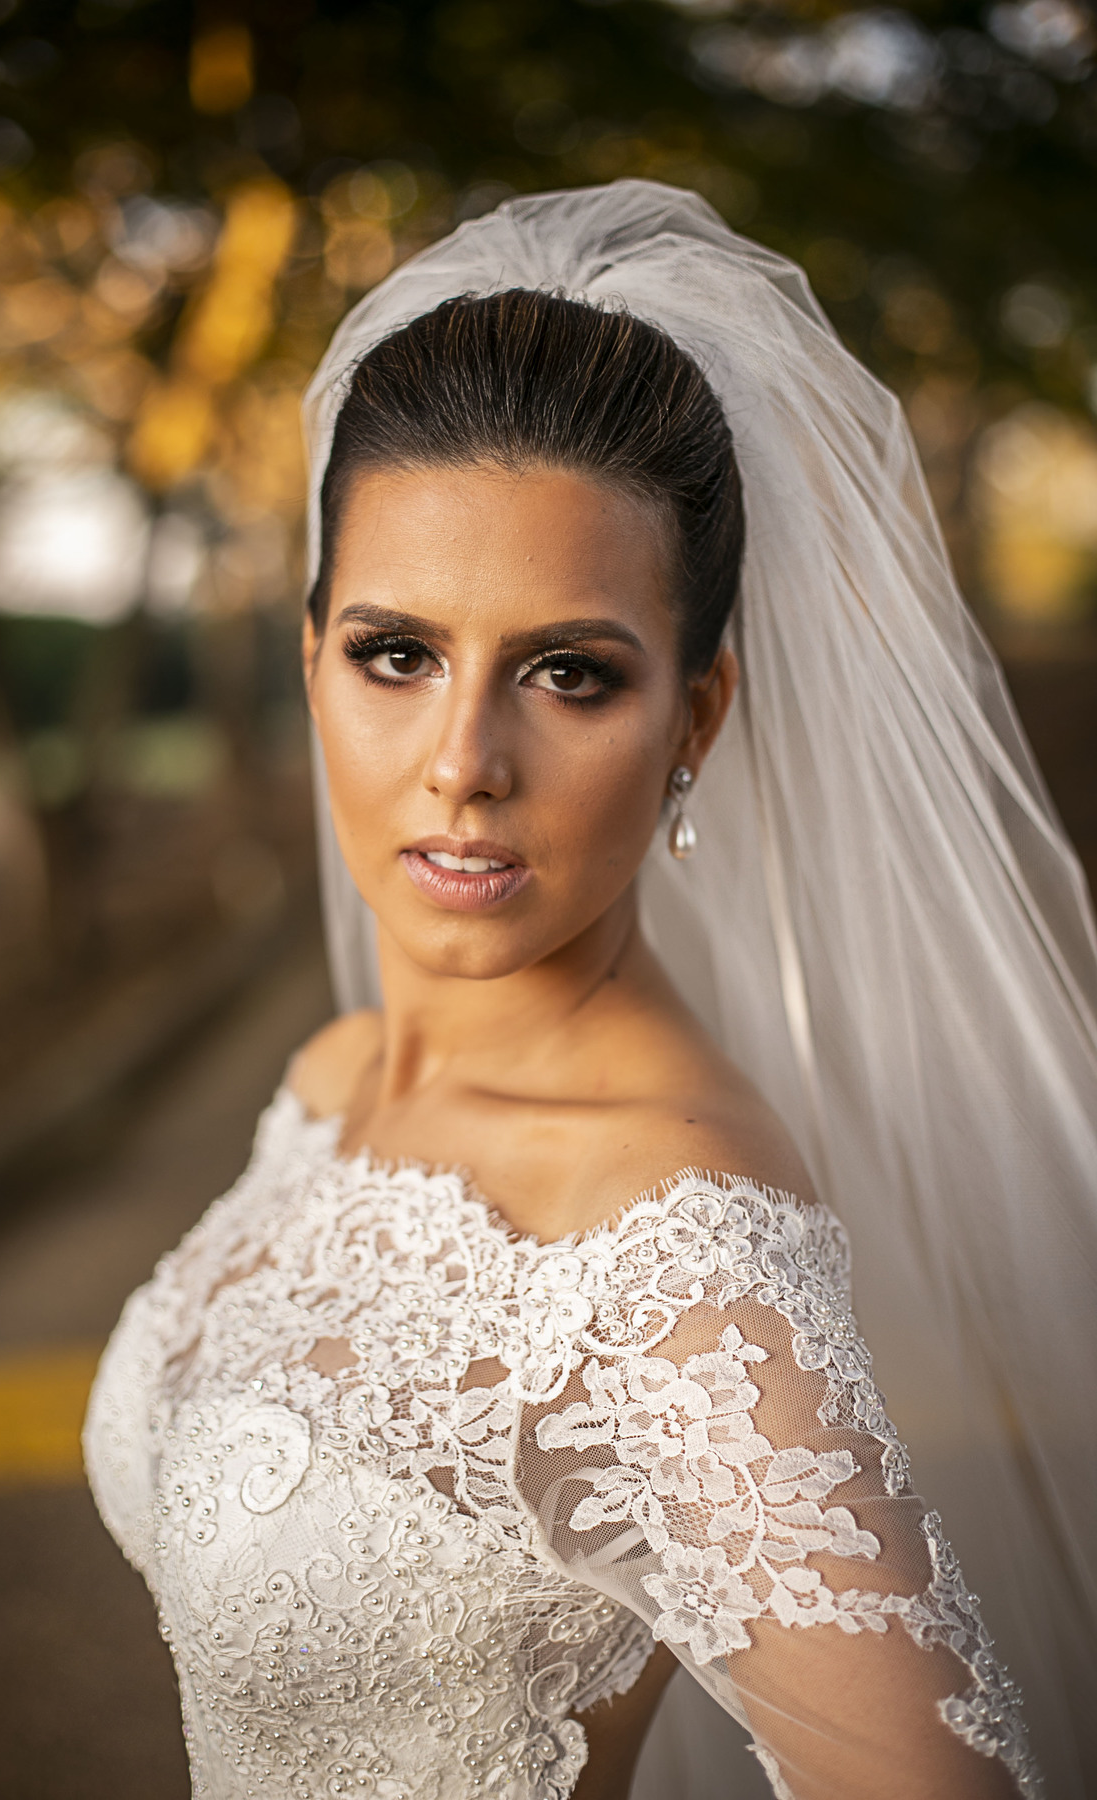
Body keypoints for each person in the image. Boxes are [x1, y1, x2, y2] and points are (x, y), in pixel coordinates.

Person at [84, 183, 1097, 1800]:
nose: (463, 767)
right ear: (311, 660)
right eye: (396, 654)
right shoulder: (340, 1075)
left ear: (696, 720)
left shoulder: (668, 1254)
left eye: (570, 673)